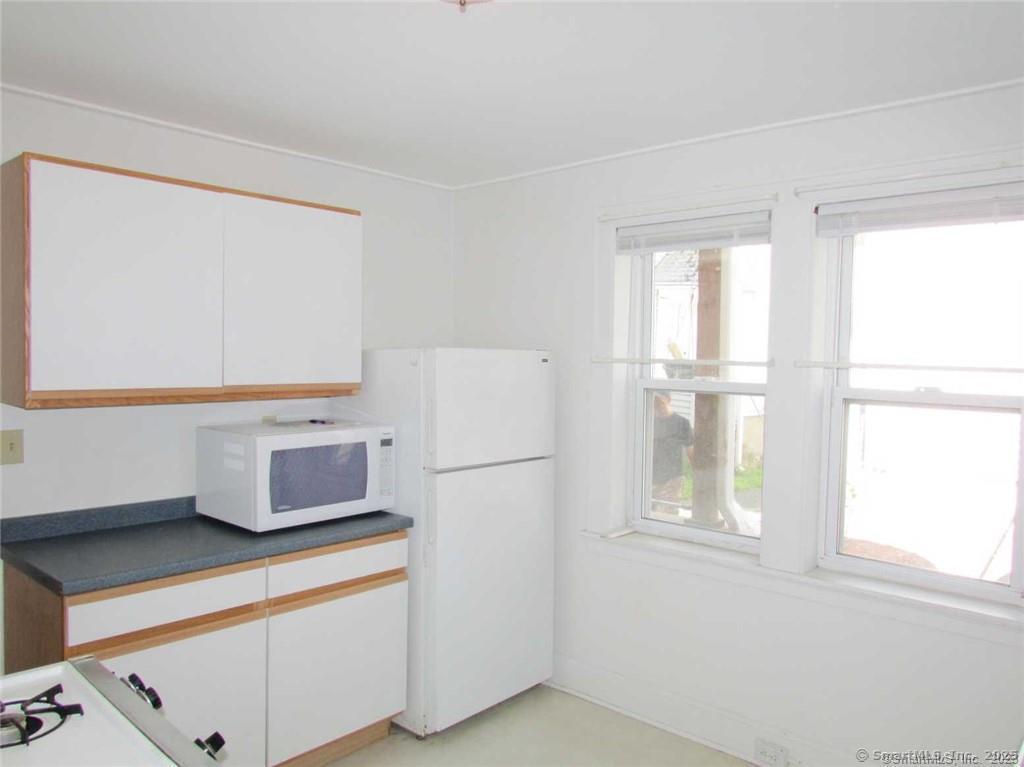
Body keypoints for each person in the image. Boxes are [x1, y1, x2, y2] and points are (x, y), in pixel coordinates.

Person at [650, 391, 694, 513]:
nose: (657, 405)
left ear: (668, 399)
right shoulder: (648, 422)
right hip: (650, 477)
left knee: (668, 514)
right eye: (654, 403)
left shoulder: (682, 423)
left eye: (660, 402)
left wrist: (699, 477)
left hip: (673, 478)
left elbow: (691, 451)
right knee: (649, 512)